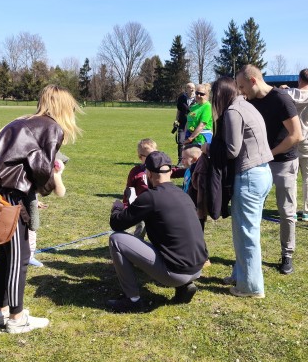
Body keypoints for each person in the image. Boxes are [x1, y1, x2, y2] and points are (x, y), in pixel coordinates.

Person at [0, 85, 82, 333]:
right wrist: (54, 178)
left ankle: (0, 312)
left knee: (5, 255)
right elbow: (41, 170)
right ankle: (16, 317)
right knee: (19, 257)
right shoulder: (50, 127)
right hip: (7, 195)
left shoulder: (21, 121)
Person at [108, 151, 209, 313]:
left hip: (176, 273)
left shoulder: (150, 197)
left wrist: (118, 206)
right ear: (170, 171)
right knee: (172, 239)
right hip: (197, 268)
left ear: (148, 173)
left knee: (116, 240)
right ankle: (184, 286)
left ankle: (132, 300)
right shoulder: (183, 194)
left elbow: (117, 224)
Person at [236, 65, 303, 275]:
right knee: (253, 209)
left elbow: (296, 135)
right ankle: (251, 256)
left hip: (283, 162)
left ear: (253, 81)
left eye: (242, 86)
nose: (241, 91)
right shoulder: (248, 101)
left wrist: (269, 153)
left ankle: (287, 254)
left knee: (286, 210)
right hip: (258, 163)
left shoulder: (281, 99)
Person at [211, 77, 274, 297]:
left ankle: (251, 287)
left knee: (247, 233)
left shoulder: (233, 111)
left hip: (249, 176)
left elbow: (232, 150)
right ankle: (241, 274)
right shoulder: (247, 106)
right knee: (245, 230)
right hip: (263, 173)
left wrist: (208, 148)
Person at [282, 69, 308, 222]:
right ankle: (307, 211)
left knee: (291, 178)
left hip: (291, 140)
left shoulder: (288, 94)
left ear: (299, 79)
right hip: (307, 140)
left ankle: (292, 211)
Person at [25, 152, 68, 267]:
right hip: (22, 195)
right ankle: (26, 256)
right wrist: (57, 174)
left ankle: (28, 255)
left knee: (30, 227)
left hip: (26, 194)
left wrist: (35, 201)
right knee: (31, 226)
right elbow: (60, 192)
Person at [122, 138, 158, 238]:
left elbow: (172, 172)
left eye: (155, 154)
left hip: (156, 204)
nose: (153, 158)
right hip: (142, 206)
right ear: (140, 157)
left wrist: (186, 170)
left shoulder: (158, 168)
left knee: (158, 228)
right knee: (141, 227)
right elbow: (129, 190)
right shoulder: (135, 172)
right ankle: (137, 242)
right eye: (149, 156)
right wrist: (125, 205)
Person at [173, 83, 196, 165]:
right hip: (182, 123)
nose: (192, 89)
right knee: (181, 142)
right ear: (186, 89)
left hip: (193, 125)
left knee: (192, 143)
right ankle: (180, 161)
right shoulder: (182, 98)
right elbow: (179, 110)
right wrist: (176, 120)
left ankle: (192, 161)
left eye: (193, 88)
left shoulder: (197, 99)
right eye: (190, 88)